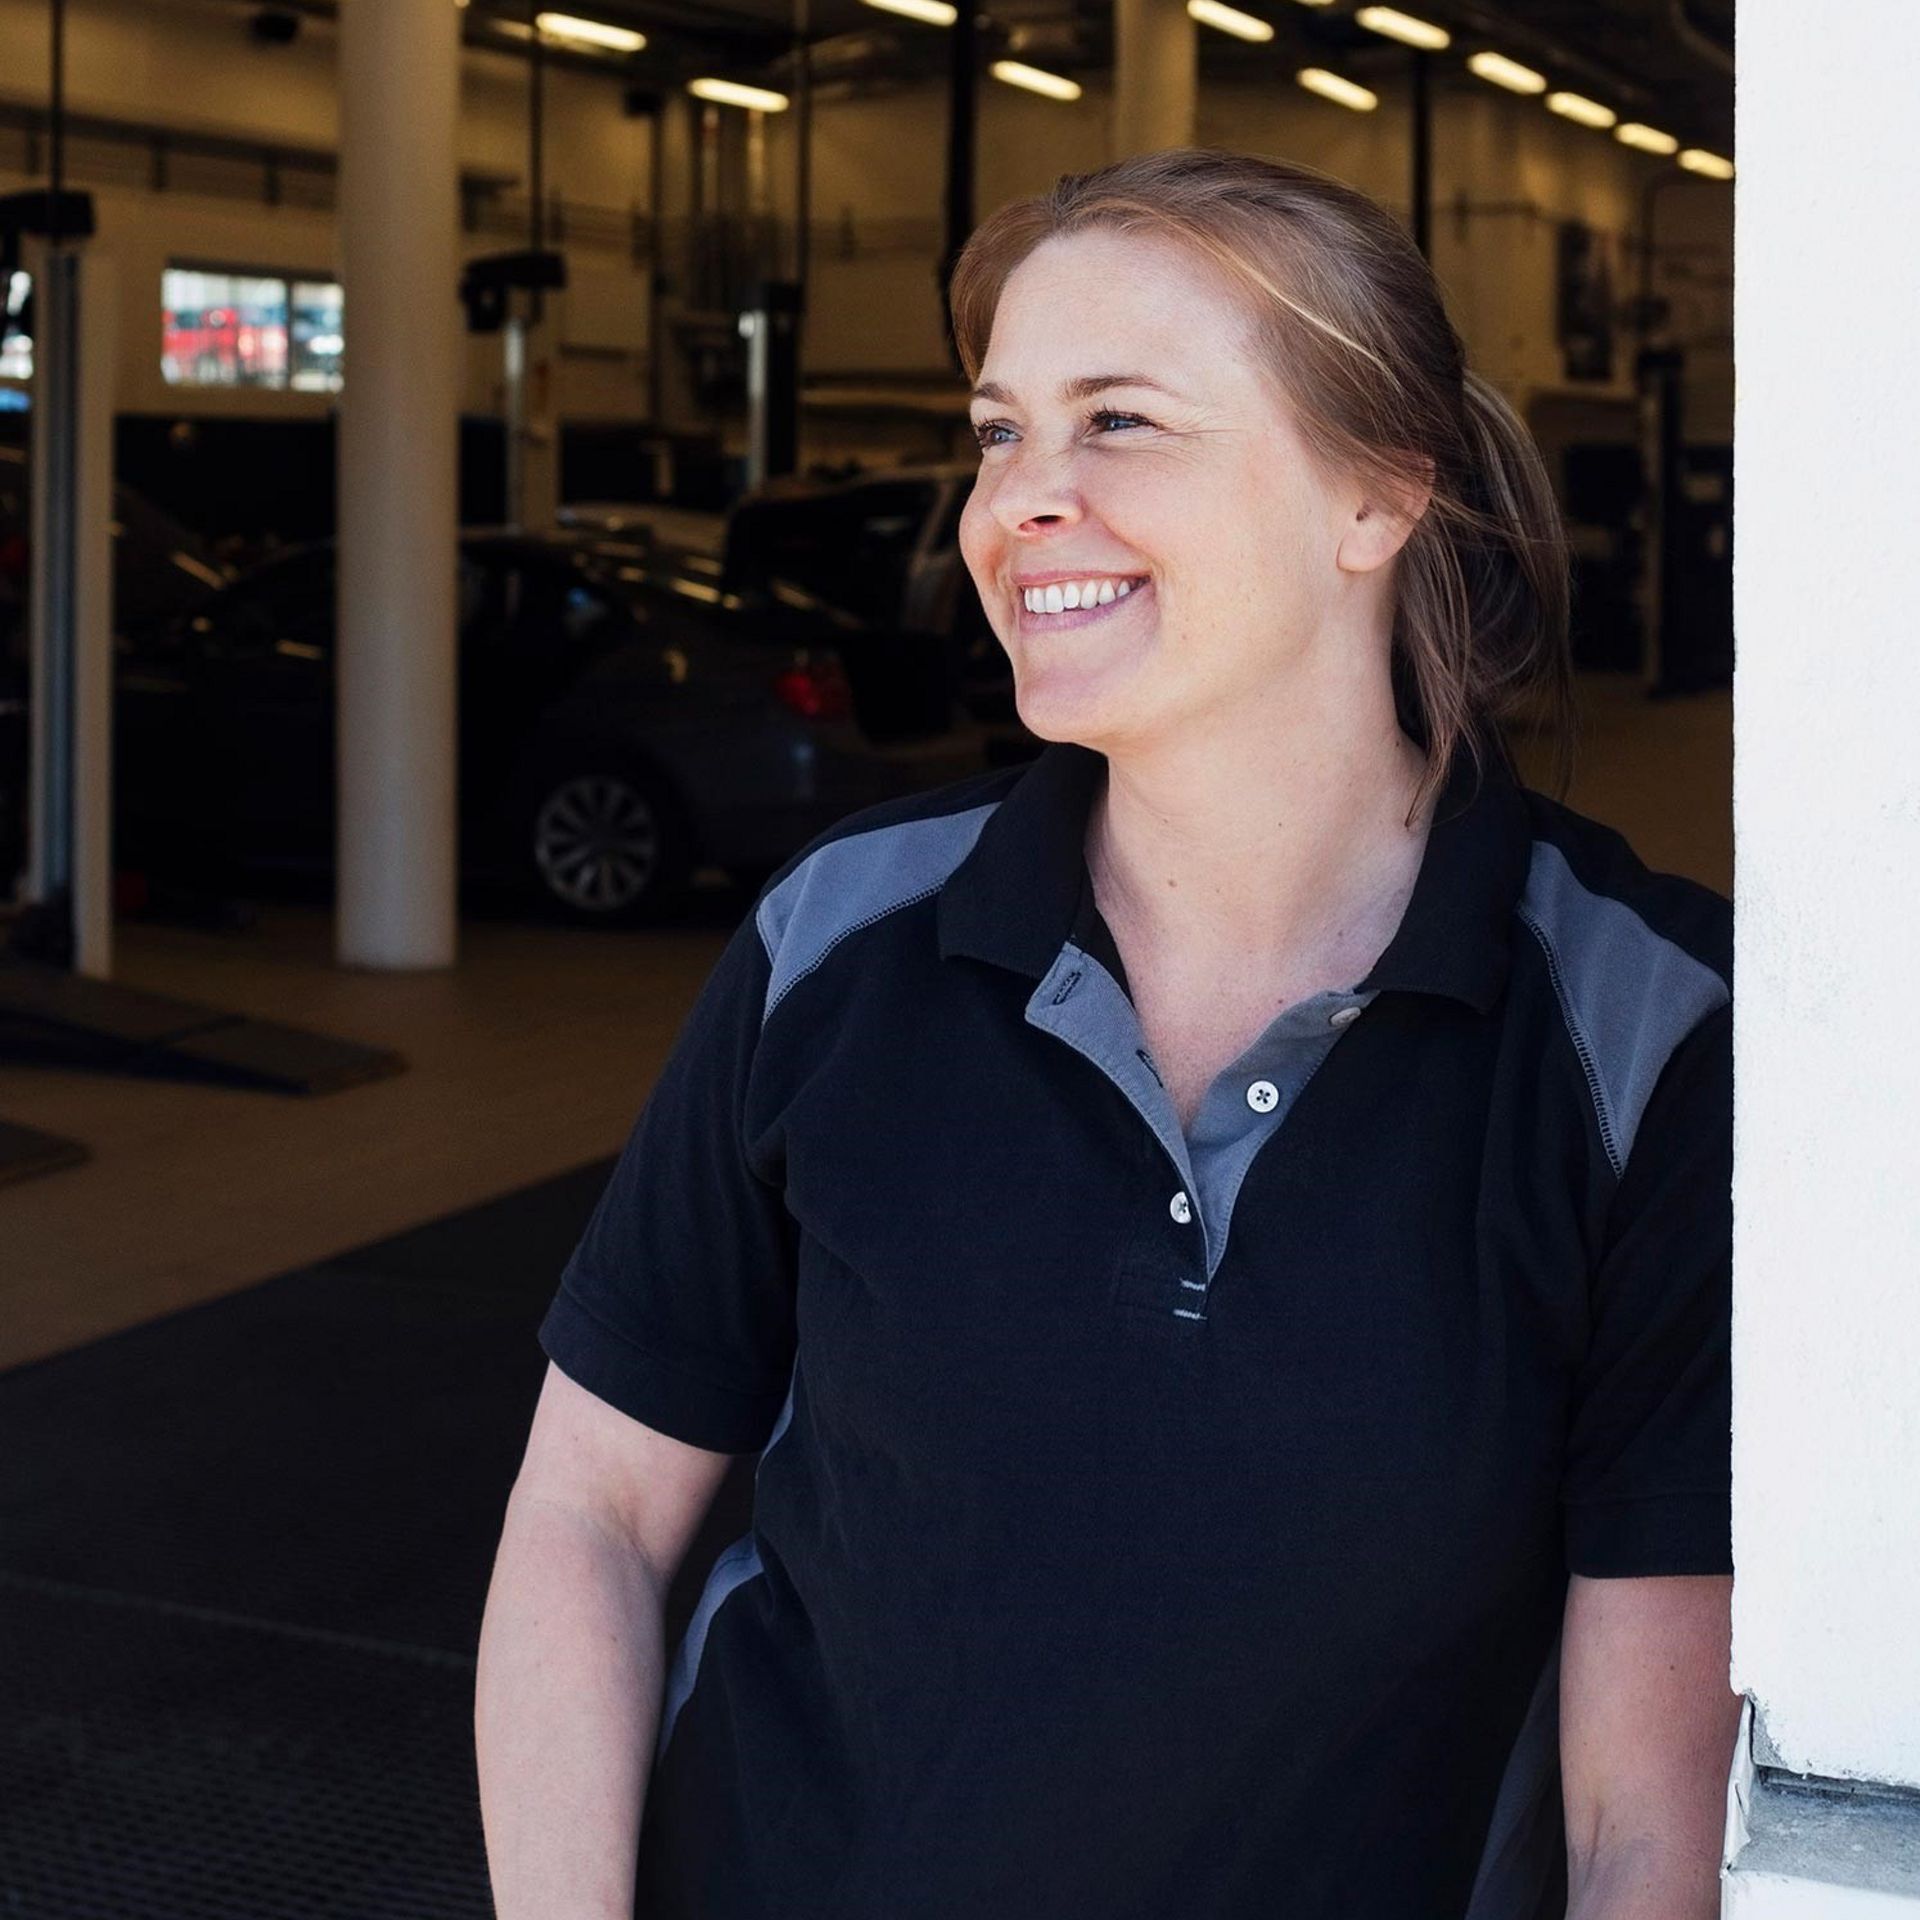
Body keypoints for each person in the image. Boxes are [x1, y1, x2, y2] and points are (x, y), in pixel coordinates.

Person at [475, 147, 1738, 1920]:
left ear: (1378, 495)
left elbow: (1643, 1823)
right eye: (1000, 432)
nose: (1017, 502)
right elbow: (591, 1513)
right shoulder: (840, 934)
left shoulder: (1645, 1034)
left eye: (1119, 422)